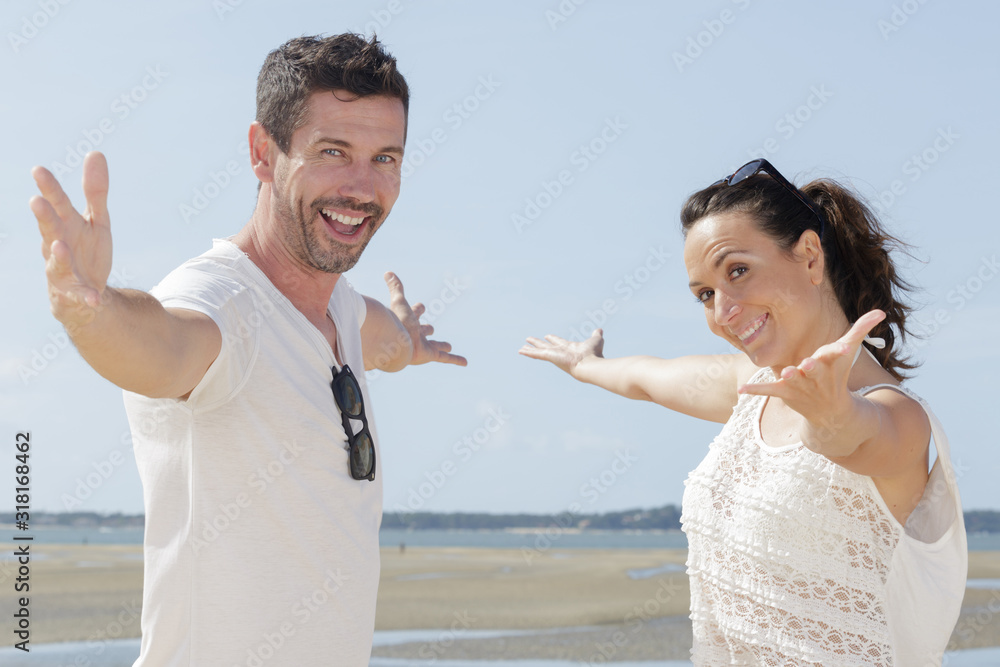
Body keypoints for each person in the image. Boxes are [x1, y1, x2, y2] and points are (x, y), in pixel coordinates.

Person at [30, 33, 465, 666]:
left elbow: (383, 338)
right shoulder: (222, 303)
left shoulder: (341, 306)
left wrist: (409, 342)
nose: (361, 186)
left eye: (385, 158)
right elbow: (159, 346)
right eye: (333, 151)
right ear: (264, 153)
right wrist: (90, 310)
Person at [520, 159, 967, 666]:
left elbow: (853, 435)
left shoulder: (899, 415)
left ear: (810, 256)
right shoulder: (749, 387)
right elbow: (647, 378)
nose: (722, 312)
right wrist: (584, 365)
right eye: (705, 294)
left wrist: (831, 413)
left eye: (738, 271)